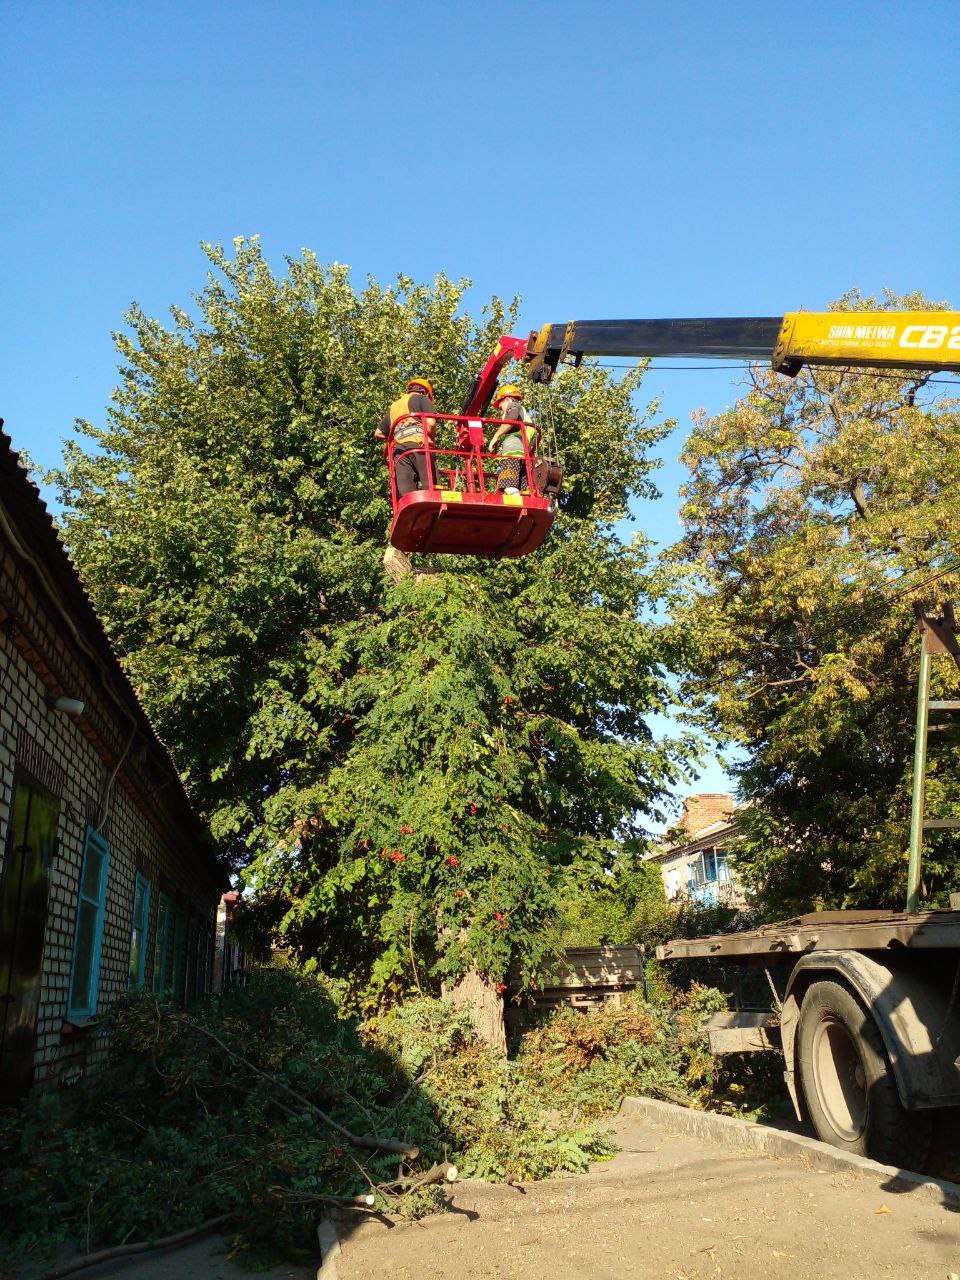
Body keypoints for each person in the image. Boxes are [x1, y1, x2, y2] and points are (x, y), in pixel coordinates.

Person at [375, 377, 439, 498]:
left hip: (399, 452)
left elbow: (378, 433)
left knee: (407, 496)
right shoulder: (422, 398)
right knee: (431, 489)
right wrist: (431, 439)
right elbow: (431, 424)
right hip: (419, 446)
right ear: (425, 392)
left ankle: (411, 515)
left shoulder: (394, 406)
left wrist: (397, 435)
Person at [487, 384, 540, 495]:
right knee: (520, 489)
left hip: (513, 454)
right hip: (523, 456)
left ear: (507, 399)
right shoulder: (525, 416)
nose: (501, 412)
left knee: (508, 486)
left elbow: (512, 418)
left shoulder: (513, 405)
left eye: (500, 407)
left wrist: (496, 436)